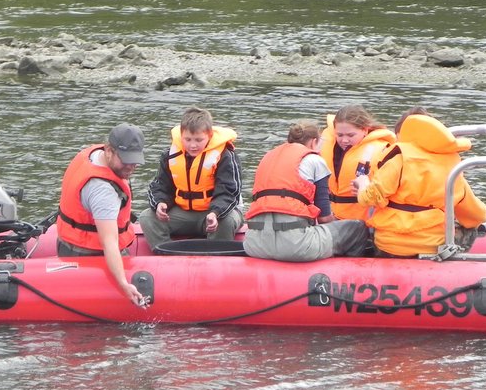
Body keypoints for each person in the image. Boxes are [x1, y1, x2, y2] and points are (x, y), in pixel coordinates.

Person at [352, 111, 486, 257]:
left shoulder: (397, 159)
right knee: (470, 226)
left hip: (389, 245)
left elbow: (370, 198)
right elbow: (476, 215)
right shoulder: (452, 165)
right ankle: (452, 265)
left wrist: (363, 183)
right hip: (431, 246)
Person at [244, 120, 368, 262]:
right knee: (357, 228)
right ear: (314, 142)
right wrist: (340, 221)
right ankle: (347, 274)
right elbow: (324, 218)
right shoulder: (314, 160)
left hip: (254, 244)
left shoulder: (267, 157)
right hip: (296, 246)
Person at [56, 123, 148, 307]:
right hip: (87, 254)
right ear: (108, 150)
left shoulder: (92, 155)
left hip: (67, 242)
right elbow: (109, 243)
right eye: (125, 160)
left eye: (135, 160)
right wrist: (123, 283)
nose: (131, 166)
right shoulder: (102, 190)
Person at [138, 106, 245, 252]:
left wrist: (215, 213)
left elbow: (229, 192)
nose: (193, 145)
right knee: (147, 217)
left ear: (209, 135)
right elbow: (160, 186)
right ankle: (168, 255)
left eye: (199, 140)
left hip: (217, 213)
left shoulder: (226, 156)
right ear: (181, 135)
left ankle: (216, 259)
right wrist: (160, 203)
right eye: (187, 139)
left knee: (226, 222)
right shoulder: (170, 155)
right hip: (183, 212)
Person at [319, 104, 396, 221]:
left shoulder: (383, 151)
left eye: (350, 135)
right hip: (329, 217)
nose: (344, 140)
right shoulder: (323, 143)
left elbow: (390, 190)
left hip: (362, 222)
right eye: (339, 135)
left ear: (364, 130)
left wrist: (367, 188)